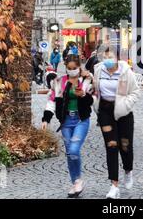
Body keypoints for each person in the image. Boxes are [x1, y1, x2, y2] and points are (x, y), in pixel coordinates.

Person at [41, 54, 94, 198]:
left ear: (79, 67)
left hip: (81, 119)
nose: (72, 71)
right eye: (69, 68)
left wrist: (83, 94)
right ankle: (76, 181)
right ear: (65, 68)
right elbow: (51, 101)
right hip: (65, 122)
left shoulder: (86, 80)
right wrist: (46, 119)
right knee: (70, 153)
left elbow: (93, 99)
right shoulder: (59, 82)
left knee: (74, 148)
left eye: (75, 68)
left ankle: (77, 181)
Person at [93, 47, 140, 199]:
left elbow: (135, 92)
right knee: (111, 146)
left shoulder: (126, 71)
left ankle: (128, 169)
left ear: (117, 57)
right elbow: (94, 90)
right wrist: (95, 104)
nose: (107, 59)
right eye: (104, 56)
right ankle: (114, 186)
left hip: (123, 113)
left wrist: (125, 105)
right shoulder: (99, 70)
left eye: (110, 56)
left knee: (125, 146)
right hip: (105, 113)